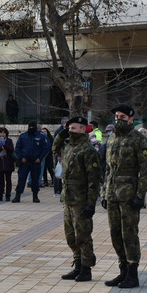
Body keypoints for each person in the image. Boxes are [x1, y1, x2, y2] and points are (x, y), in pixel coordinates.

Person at [101, 104, 147, 288]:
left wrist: (140, 195)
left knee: (129, 234)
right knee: (115, 234)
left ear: (131, 119)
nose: (118, 119)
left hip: (129, 194)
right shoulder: (113, 138)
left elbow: (145, 170)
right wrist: (104, 193)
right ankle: (122, 271)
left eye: (122, 116)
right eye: (116, 116)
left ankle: (132, 273)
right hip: (113, 194)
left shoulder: (139, 140)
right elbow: (108, 169)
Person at [52, 117, 102, 283]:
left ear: (83, 129)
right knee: (70, 235)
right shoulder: (68, 147)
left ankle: (86, 268)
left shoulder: (88, 150)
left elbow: (93, 180)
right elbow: (55, 148)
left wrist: (91, 203)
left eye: (73, 128)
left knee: (83, 235)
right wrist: (62, 134)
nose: (70, 131)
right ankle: (78, 264)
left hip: (81, 200)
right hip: (68, 198)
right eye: (69, 128)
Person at [12, 121, 50, 203]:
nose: (31, 128)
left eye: (33, 127)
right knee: (21, 179)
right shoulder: (23, 136)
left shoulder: (41, 136)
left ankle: (35, 196)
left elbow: (46, 148)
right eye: (30, 127)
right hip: (25, 162)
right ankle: (17, 196)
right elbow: (17, 148)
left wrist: (40, 158)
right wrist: (21, 158)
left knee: (35, 179)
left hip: (35, 162)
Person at [0, 127, 15, 201]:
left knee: (8, 180)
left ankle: (8, 195)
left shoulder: (9, 141)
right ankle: (0, 195)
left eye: (4, 133)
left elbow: (11, 150)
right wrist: (0, 147)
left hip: (8, 163)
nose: (2, 134)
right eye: (1, 133)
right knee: (0, 181)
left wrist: (5, 146)